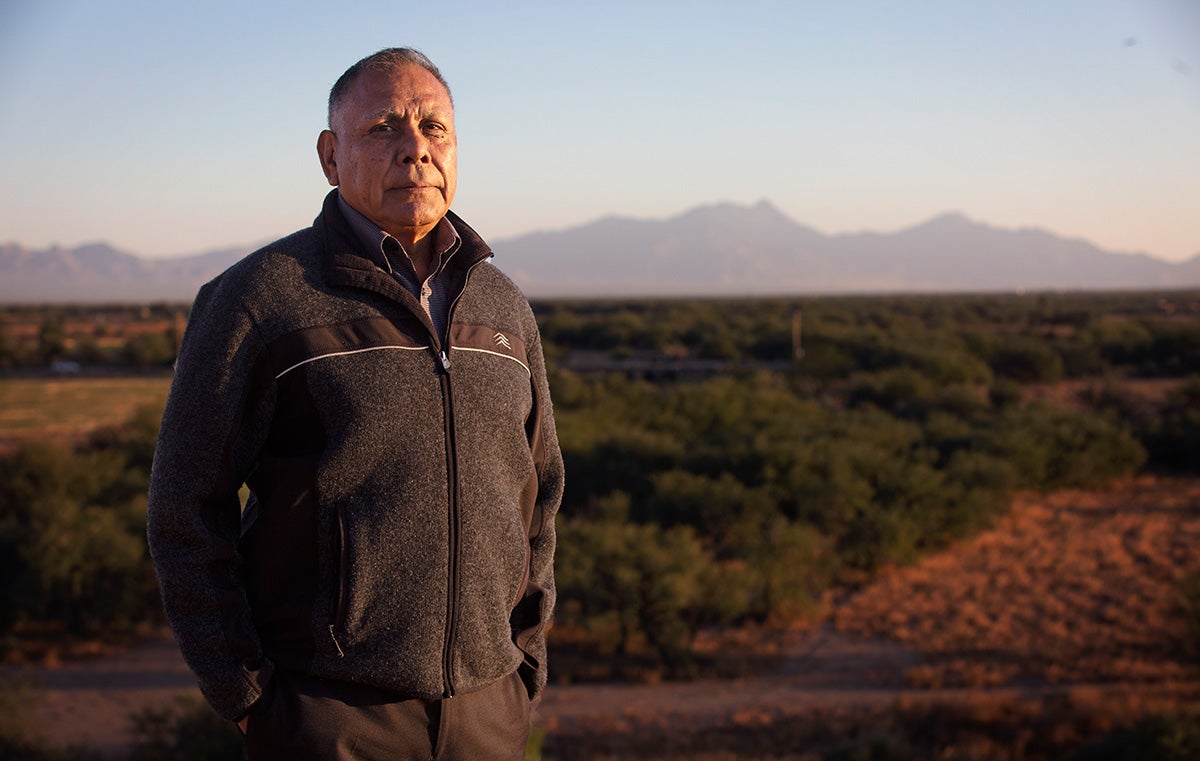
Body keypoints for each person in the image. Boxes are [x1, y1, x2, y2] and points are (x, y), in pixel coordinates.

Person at [146, 47, 563, 760]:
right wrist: (247, 695)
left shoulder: (501, 305)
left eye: (435, 128)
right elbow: (184, 503)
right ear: (329, 156)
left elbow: (540, 490)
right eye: (383, 129)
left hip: (488, 711)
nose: (415, 150)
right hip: (329, 716)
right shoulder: (261, 298)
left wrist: (523, 662)